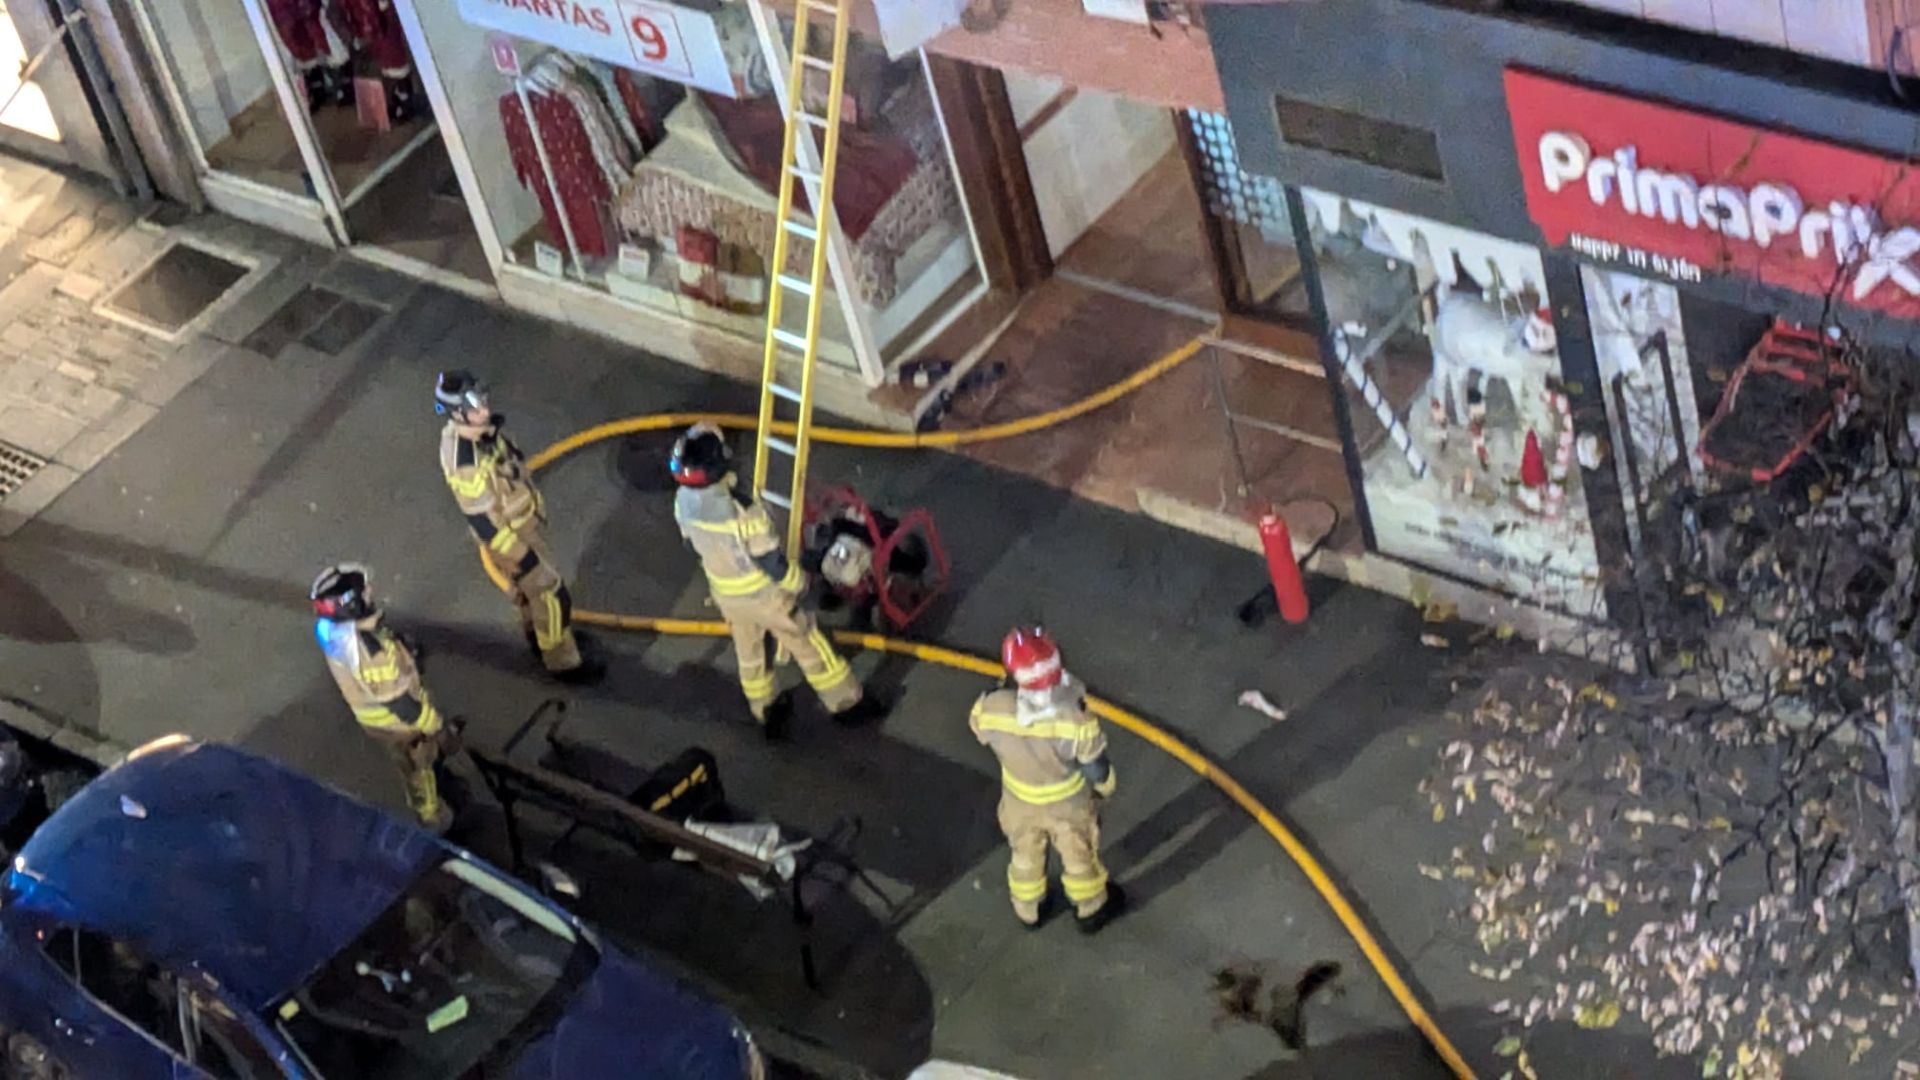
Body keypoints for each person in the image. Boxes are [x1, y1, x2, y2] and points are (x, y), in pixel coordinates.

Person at [669, 423, 884, 737]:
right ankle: (846, 704)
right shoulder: (742, 511)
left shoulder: (683, 503)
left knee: (751, 655)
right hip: (766, 598)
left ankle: (766, 710)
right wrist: (801, 582)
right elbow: (771, 561)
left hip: (728, 600)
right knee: (810, 644)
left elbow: (692, 545)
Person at [435, 370, 596, 682]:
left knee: (528, 591)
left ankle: (537, 635)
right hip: (511, 535)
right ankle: (562, 660)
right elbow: (484, 522)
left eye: (482, 398)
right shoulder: (465, 462)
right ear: (457, 414)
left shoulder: (482, 433)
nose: (484, 407)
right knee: (550, 592)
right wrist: (523, 556)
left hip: (521, 522)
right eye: (474, 405)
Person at [970, 627, 1123, 933]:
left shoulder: (991, 710)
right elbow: (1095, 767)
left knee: (1025, 855)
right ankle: (1091, 908)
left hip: (1019, 804)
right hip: (1068, 806)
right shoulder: (1075, 720)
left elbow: (978, 727)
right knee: (1078, 856)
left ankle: (1030, 909)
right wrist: (1107, 787)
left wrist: (994, 694)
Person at [311, 564, 455, 832]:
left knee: (417, 763)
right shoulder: (370, 651)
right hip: (397, 724)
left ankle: (435, 790)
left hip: (379, 721)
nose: (370, 592)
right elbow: (399, 703)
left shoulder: (336, 631)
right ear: (351, 604)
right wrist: (435, 724)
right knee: (418, 767)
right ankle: (435, 822)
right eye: (364, 591)